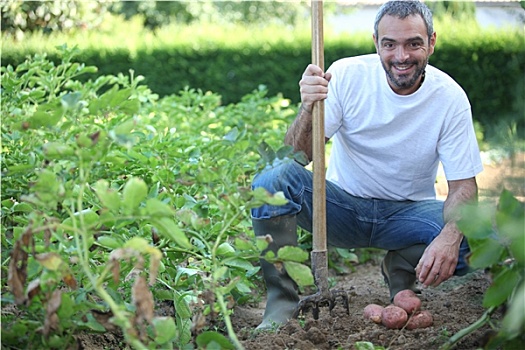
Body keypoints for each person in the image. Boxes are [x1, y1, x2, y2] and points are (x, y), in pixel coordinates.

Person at [251, 0, 483, 330]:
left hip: (406, 216)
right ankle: (281, 303)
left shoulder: (450, 98)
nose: (401, 56)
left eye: (413, 43)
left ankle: (400, 264)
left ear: (431, 42)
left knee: (475, 233)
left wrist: (449, 237)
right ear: (376, 42)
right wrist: (307, 108)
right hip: (339, 209)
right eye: (390, 44)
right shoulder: (346, 75)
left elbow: (464, 186)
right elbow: (295, 158)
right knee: (271, 179)